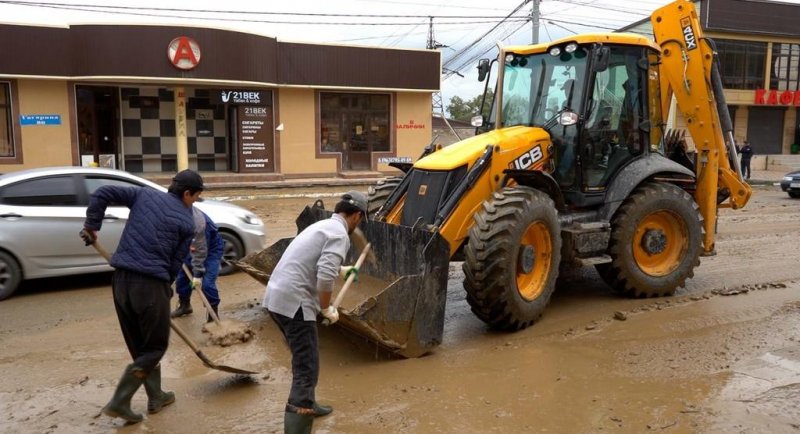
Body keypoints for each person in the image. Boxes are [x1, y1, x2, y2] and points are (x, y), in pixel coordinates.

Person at [80, 169, 203, 424]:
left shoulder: (144, 195)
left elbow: (103, 192)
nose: (195, 202)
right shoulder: (186, 222)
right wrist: (164, 289)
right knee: (155, 347)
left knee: (141, 347)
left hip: (121, 281)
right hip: (150, 284)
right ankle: (120, 402)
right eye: (196, 197)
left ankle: (156, 396)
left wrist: (92, 225)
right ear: (187, 193)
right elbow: (175, 262)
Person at [263, 191, 367, 433]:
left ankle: (309, 402)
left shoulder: (322, 226)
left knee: (304, 356)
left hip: (277, 298)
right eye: (361, 220)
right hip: (295, 304)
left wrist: (343, 269)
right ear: (357, 216)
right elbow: (324, 278)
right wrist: (326, 308)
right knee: (306, 368)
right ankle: (300, 416)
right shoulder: (340, 235)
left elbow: (314, 260)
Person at [171, 207, 224, 322]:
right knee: (182, 280)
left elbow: (200, 252)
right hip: (190, 248)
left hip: (210, 251)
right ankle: (185, 306)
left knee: (207, 284)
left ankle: (213, 314)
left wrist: (197, 275)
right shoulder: (173, 215)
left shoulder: (199, 223)